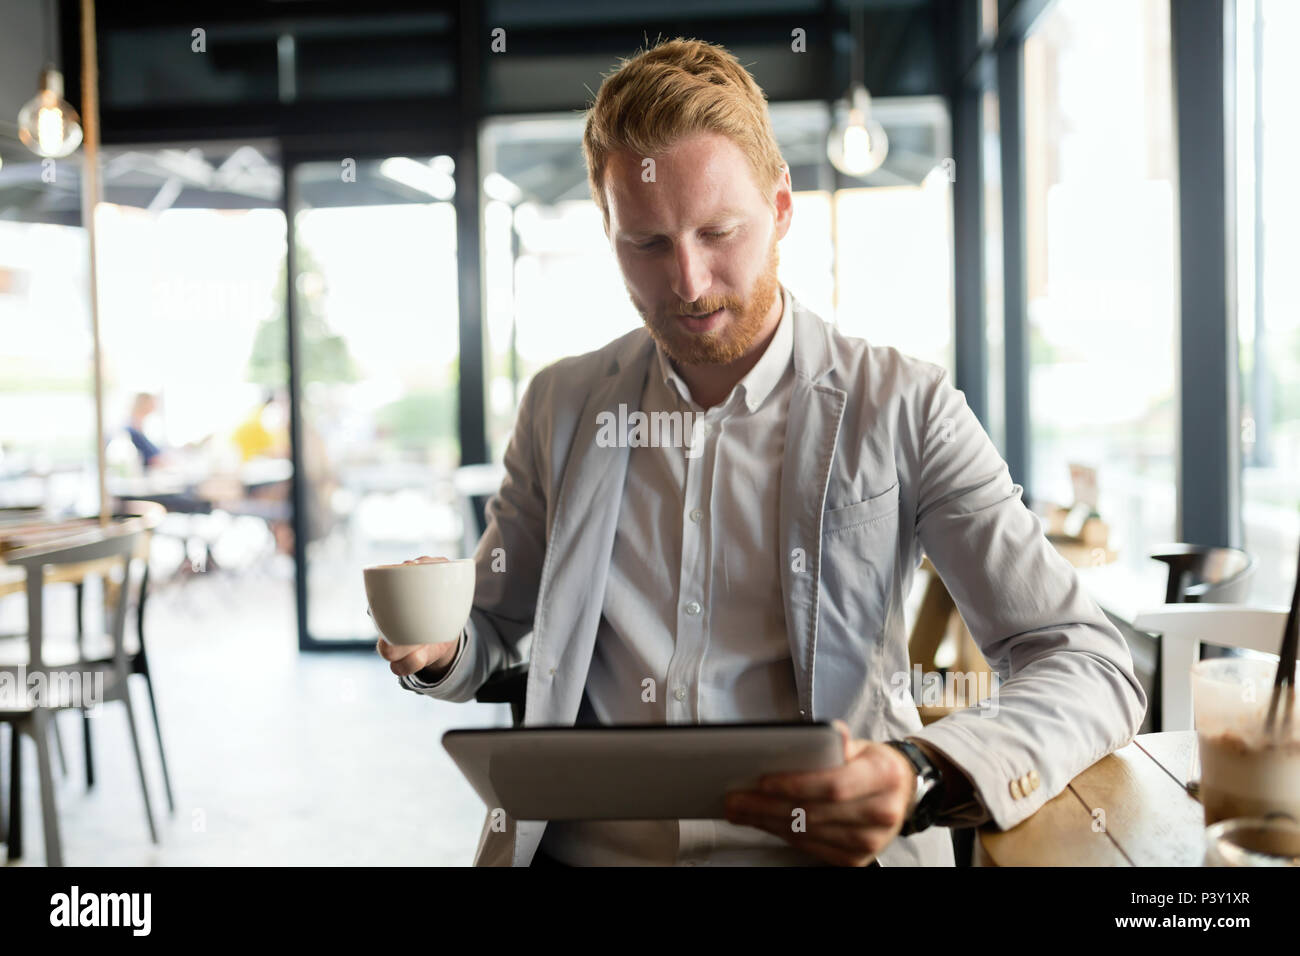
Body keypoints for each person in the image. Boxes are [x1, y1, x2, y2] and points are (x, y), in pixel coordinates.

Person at [377, 39, 1146, 867]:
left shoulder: (904, 404)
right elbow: (493, 629)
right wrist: (443, 650)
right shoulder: (560, 407)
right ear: (608, 235)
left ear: (781, 208)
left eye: (719, 231)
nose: (690, 282)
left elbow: (1087, 661)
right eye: (646, 245)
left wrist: (920, 772)